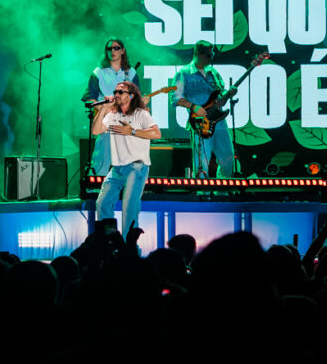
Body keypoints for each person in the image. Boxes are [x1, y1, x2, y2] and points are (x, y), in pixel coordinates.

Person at [92, 80, 160, 236]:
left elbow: (156, 133)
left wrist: (132, 131)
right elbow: (96, 131)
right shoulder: (112, 115)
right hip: (117, 169)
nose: (116, 94)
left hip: (136, 168)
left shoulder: (141, 114)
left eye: (120, 91)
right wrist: (103, 109)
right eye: (115, 91)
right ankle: (109, 241)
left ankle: (129, 246)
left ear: (131, 96)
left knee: (129, 209)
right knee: (102, 203)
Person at [170, 40, 237, 178]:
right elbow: (175, 98)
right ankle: (202, 188)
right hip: (200, 123)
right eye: (208, 55)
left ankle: (224, 187)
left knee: (228, 157)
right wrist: (193, 106)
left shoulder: (213, 72)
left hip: (219, 122)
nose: (211, 58)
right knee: (202, 161)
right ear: (197, 54)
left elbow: (220, 95)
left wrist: (228, 94)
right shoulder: (184, 73)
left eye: (212, 55)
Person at [83, 37, 141, 175]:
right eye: (109, 48)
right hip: (106, 122)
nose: (112, 51)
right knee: (102, 160)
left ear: (122, 51)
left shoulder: (131, 73)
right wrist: (106, 110)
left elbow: (136, 98)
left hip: (125, 122)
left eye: (116, 48)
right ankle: (96, 185)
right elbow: (90, 99)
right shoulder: (98, 72)